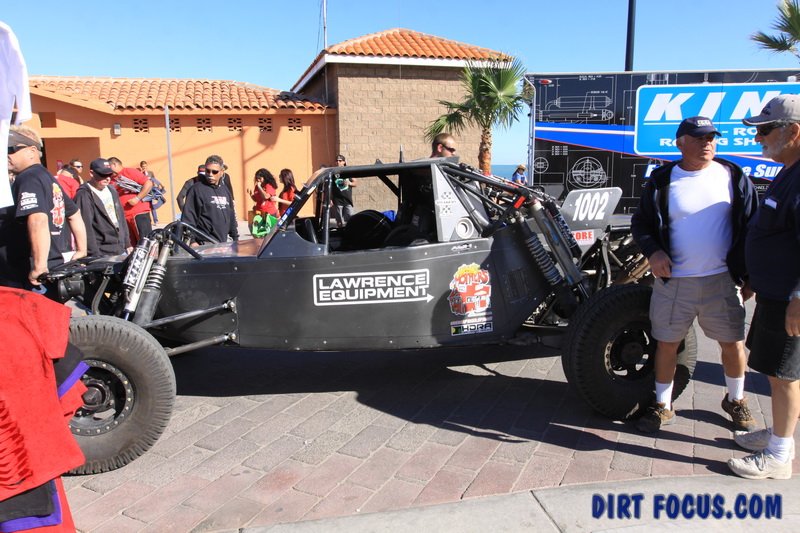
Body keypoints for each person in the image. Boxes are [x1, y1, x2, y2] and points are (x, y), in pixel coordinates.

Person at [631, 116, 759, 434]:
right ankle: (663, 405)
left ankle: (736, 399)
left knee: (732, 344)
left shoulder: (733, 175)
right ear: (680, 144)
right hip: (675, 281)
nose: (707, 143)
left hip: (722, 280)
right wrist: (654, 252)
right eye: (699, 138)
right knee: (666, 344)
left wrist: (750, 276)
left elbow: (753, 226)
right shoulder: (662, 180)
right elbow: (641, 223)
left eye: (711, 137)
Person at [728, 95, 800, 480]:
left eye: (765, 130)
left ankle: (779, 456)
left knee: (784, 375)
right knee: (777, 372)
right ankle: (778, 434)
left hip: (790, 300)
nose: (758, 138)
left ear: (794, 131)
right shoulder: (789, 171)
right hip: (775, 295)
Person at [4, 126, 87, 289]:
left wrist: (39, 265)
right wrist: (82, 249)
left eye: (10, 149)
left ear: (32, 151)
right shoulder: (46, 176)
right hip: (52, 265)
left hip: (30, 273)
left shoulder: (28, 177)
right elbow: (74, 214)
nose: (5, 154)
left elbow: (38, 220)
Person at [74, 158, 130, 257]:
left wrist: (127, 243)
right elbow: (85, 226)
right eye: (103, 175)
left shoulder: (112, 190)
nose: (107, 178)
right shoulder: (84, 194)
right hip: (101, 251)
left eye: (109, 175)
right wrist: (93, 253)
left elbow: (121, 217)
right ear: (92, 173)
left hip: (120, 248)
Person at [181, 155, 238, 244]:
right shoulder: (196, 190)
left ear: (222, 172)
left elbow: (231, 216)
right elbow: (188, 218)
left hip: (222, 243)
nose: (210, 174)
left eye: (214, 172)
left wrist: (235, 238)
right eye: (208, 171)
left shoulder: (225, 190)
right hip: (204, 242)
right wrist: (192, 241)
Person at [108, 156, 152, 247]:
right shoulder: (111, 179)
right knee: (131, 245)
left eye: (109, 167)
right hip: (124, 216)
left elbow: (148, 183)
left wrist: (137, 198)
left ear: (114, 164)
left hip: (138, 213)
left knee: (144, 243)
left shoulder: (129, 172)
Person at [332, 154, 356, 227]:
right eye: (337, 161)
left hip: (347, 200)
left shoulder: (348, 171)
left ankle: (350, 230)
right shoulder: (333, 173)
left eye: (340, 161)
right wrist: (330, 199)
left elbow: (355, 183)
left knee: (351, 218)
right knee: (339, 220)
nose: (338, 162)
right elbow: (330, 187)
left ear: (344, 162)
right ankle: (340, 231)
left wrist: (349, 183)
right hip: (337, 200)